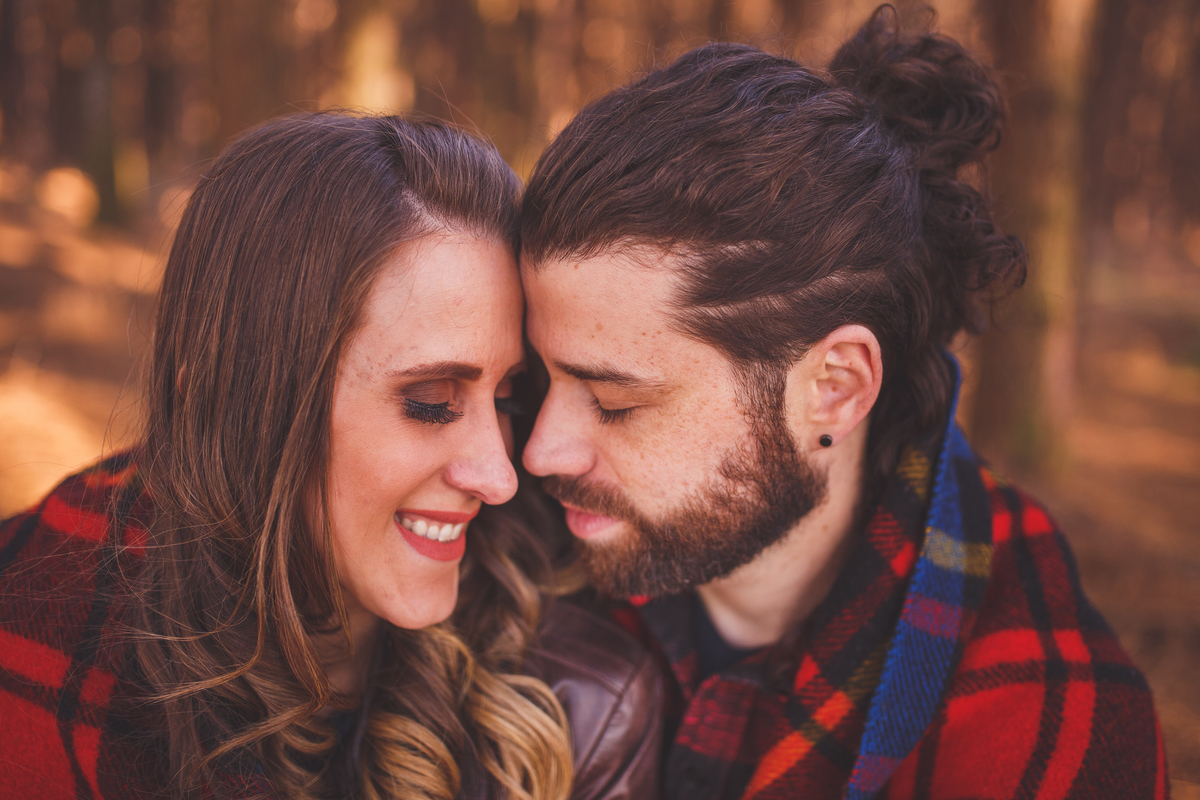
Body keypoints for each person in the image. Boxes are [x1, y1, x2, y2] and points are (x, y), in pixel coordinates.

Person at [518, 8, 1166, 800]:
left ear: (835, 387)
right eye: (538, 378)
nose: (538, 452)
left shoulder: (1040, 728)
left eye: (615, 403)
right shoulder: (504, 559)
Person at [0, 114, 660, 800]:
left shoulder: (580, 714)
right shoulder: (38, 631)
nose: (497, 476)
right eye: (431, 401)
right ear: (239, 393)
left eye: (507, 398)